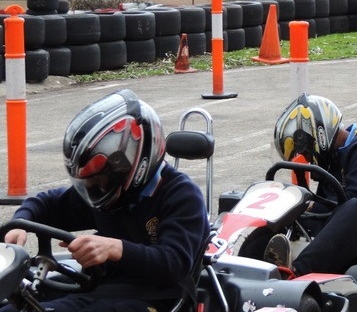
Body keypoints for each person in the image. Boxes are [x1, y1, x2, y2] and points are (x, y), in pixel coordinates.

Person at [0, 89, 210, 312]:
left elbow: (174, 264)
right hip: (102, 290)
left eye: (99, 177)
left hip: (156, 299)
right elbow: (46, 203)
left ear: (129, 164)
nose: (93, 186)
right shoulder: (106, 193)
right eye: (88, 180)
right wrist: (21, 222)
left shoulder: (182, 196)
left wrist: (114, 248)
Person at [268, 93, 357, 278]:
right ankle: (247, 262)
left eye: (305, 152)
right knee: (274, 205)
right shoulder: (332, 157)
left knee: (355, 208)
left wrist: (309, 205)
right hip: (342, 225)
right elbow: (328, 207)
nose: (306, 159)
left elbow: (353, 202)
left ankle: (294, 273)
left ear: (319, 137)